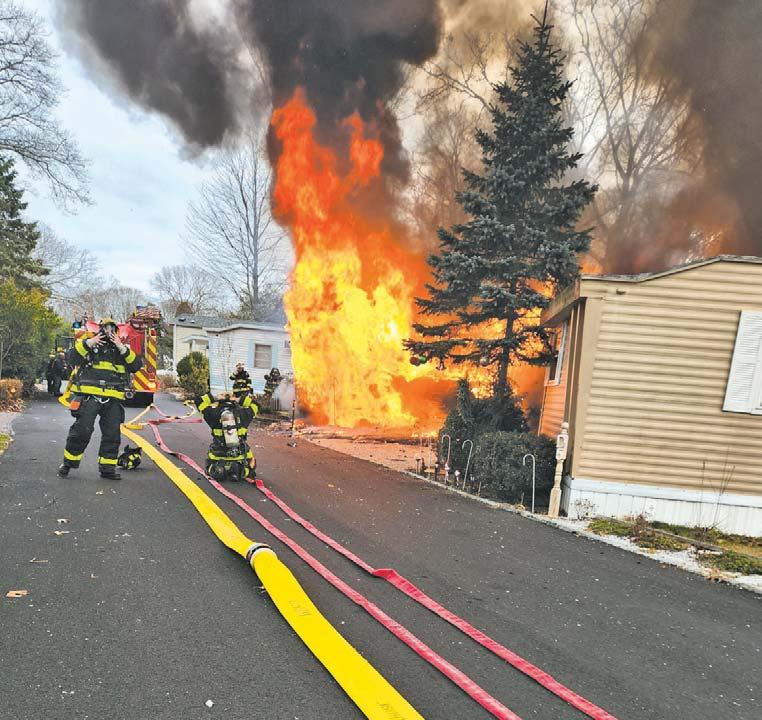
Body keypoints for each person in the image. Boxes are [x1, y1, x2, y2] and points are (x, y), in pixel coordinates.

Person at [58, 317, 143, 479]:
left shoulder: (120, 350)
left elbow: (136, 366)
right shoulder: (90, 345)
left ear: (116, 332)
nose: (108, 333)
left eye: (112, 330)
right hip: (89, 396)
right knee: (81, 431)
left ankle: (107, 469)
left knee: (112, 435)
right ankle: (68, 464)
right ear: (99, 330)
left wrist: (121, 347)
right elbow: (71, 358)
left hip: (112, 398)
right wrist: (90, 343)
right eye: (105, 329)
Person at [195, 391, 258, 482]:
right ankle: (244, 471)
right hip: (240, 455)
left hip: (218, 455)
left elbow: (198, 401)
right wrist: (238, 399)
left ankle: (217, 469)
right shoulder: (244, 413)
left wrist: (216, 397)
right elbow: (256, 405)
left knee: (211, 459)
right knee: (250, 461)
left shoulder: (212, 413)